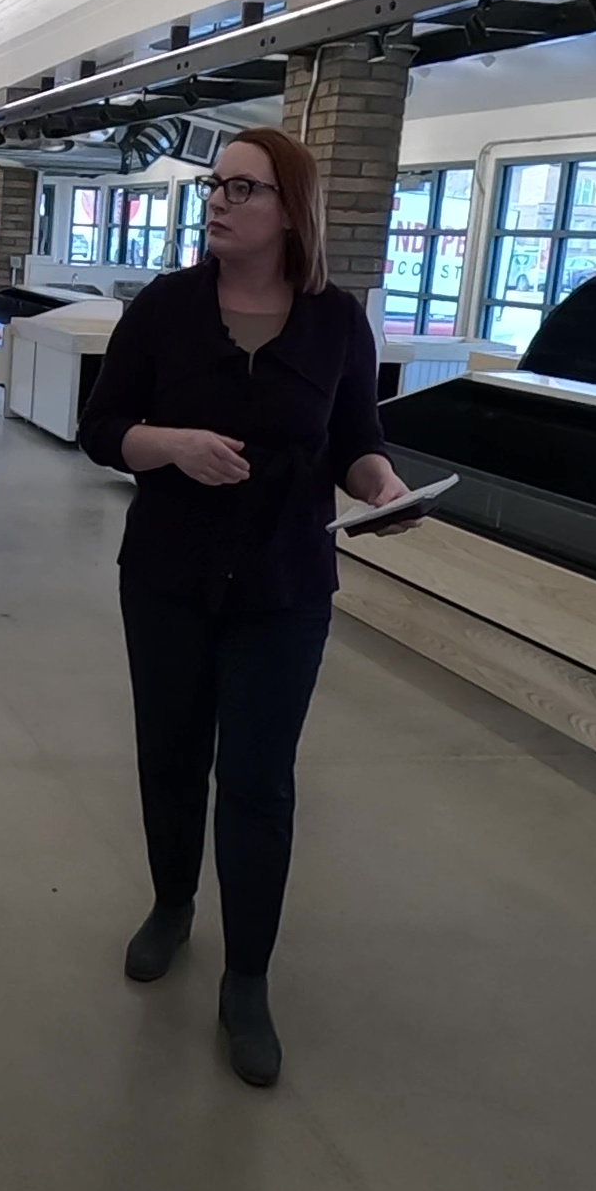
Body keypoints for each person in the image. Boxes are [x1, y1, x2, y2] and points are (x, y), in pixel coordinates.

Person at [76, 126, 412, 1089]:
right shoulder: (166, 309)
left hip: (285, 586)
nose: (219, 200)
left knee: (260, 781)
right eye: (216, 185)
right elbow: (101, 427)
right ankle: (173, 902)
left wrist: (383, 488)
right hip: (170, 579)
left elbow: (358, 437)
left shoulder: (337, 322)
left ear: (290, 208)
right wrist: (169, 444)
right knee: (172, 753)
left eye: (243, 188)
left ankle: (249, 977)